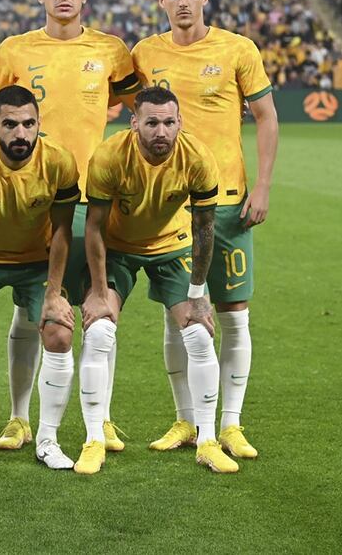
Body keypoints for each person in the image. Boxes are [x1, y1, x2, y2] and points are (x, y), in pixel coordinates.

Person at [0, 0, 141, 453]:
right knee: (33, 310)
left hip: (94, 198)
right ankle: (18, 418)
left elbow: (144, 108)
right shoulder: (14, 50)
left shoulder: (112, 51)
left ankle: (103, 418)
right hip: (32, 199)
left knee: (98, 308)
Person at [132, 0, 277, 460]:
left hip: (229, 201)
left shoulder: (239, 49)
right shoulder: (145, 53)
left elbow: (265, 116)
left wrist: (262, 186)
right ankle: (187, 421)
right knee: (179, 317)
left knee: (234, 315)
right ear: (162, 0)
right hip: (170, 208)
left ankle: (231, 423)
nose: (182, 2)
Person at [74, 86, 237, 475]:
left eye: (168, 122)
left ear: (179, 122)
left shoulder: (197, 157)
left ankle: (207, 439)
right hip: (117, 248)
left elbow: (204, 227)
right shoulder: (110, 156)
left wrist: (198, 294)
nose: (161, 131)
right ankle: (95, 437)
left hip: (172, 245)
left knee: (198, 332)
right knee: (98, 332)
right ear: (135, 124)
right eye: (152, 123)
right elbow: (93, 228)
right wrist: (98, 293)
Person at [0, 85, 81, 471]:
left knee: (60, 331)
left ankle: (47, 439)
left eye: (28, 124)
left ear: (39, 124)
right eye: (10, 124)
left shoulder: (58, 161)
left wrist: (54, 293)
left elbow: (61, 231)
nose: (20, 134)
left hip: (36, 260)